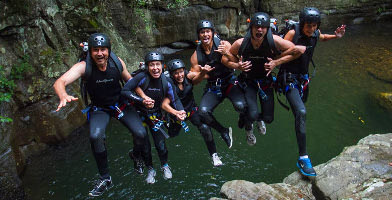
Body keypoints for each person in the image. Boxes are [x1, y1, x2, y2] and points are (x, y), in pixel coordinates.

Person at [53, 33, 148, 196]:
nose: (100, 53)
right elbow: (60, 82)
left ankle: (135, 155)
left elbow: (130, 81)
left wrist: (143, 97)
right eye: (95, 50)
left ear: (108, 51)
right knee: (96, 136)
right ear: (90, 52)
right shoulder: (84, 66)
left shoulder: (117, 62)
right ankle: (105, 178)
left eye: (103, 49)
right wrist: (63, 95)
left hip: (121, 104)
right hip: (100, 108)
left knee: (141, 133)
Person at [278, 7, 346, 177]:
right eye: (308, 26)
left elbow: (321, 37)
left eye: (314, 26)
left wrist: (335, 36)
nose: (311, 29)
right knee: (301, 112)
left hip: (303, 80)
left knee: (301, 112)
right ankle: (303, 158)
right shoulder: (292, 34)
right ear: (302, 24)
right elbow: (278, 54)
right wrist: (295, 50)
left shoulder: (315, 33)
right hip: (289, 79)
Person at [222, 12, 303, 146]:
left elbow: (297, 50)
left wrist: (277, 61)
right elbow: (225, 58)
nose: (259, 30)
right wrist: (237, 65)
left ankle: (259, 119)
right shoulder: (241, 43)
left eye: (263, 27)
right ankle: (249, 129)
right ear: (251, 28)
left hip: (266, 82)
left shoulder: (274, 41)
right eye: (256, 27)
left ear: (267, 29)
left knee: (268, 118)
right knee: (252, 114)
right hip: (248, 82)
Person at [121, 51, 186, 184]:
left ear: (163, 66)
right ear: (147, 66)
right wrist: (141, 100)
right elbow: (125, 91)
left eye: (158, 64)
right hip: (140, 115)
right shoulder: (141, 77)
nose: (155, 68)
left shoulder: (166, 81)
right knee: (145, 145)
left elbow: (175, 99)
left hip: (157, 116)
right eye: (151, 65)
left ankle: (165, 166)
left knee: (160, 144)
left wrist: (181, 111)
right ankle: (150, 169)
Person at [190, 20, 248, 148]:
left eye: (207, 32)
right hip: (213, 86)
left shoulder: (224, 44)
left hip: (229, 82)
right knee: (203, 112)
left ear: (213, 33)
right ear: (198, 36)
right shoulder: (195, 56)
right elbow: (194, 81)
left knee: (241, 106)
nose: (205, 35)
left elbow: (238, 62)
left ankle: (243, 117)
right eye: (202, 32)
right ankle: (224, 131)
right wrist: (202, 73)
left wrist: (226, 53)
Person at [163, 58, 227, 166]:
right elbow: (164, 104)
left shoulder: (189, 76)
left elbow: (200, 77)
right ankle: (166, 121)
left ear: (184, 70)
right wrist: (175, 113)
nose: (179, 75)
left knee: (205, 128)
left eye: (181, 72)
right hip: (176, 114)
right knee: (172, 134)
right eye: (176, 73)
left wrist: (203, 72)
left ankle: (214, 155)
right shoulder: (168, 84)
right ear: (171, 74)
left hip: (191, 110)